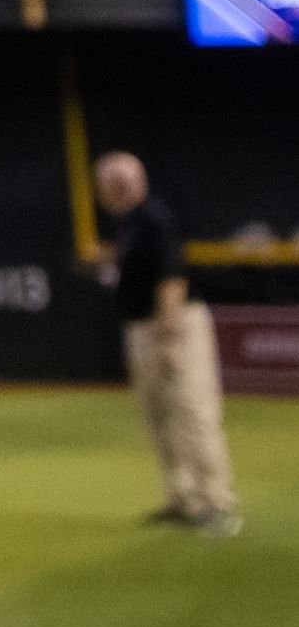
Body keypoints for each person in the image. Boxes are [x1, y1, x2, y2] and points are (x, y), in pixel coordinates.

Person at [90, 150, 241, 535]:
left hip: (172, 326)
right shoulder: (128, 225)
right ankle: (183, 499)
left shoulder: (155, 219)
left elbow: (172, 277)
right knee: (159, 418)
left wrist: (170, 338)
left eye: (104, 183)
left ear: (119, 184)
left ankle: (217, 503)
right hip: (142, 327)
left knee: (194, 413)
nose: (99, 191)